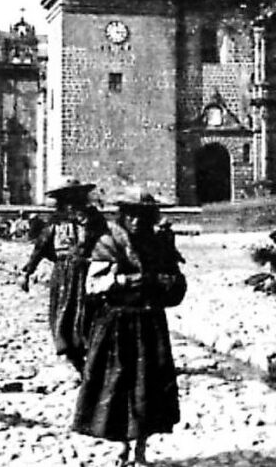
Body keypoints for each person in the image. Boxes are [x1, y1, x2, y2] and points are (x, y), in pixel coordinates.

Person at [73, 187, 186, 467]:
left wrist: (162, 282)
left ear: (151, 217)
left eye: (143, 216)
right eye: (131, 215)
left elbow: (176, 284)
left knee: (147, 388)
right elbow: (92, 286)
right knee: (117, 385)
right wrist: (122, 281)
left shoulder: (160, 244)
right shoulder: (109, 242)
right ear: (123, 216)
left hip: (149, 324)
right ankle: (122, 446)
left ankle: (141, 450)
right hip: (116, 323)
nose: (136, 222)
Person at [19, 176, 108, 372]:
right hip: (63, 273)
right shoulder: (55, 223)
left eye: (75, 197)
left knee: (88, 313)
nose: (71, 203)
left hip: (88, 271)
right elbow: (40, 247)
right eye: (67, 199)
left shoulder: (94, 220)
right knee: (63, 312)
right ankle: (72, 354)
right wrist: (26, 272)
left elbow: (108, 243)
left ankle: (90, 352)